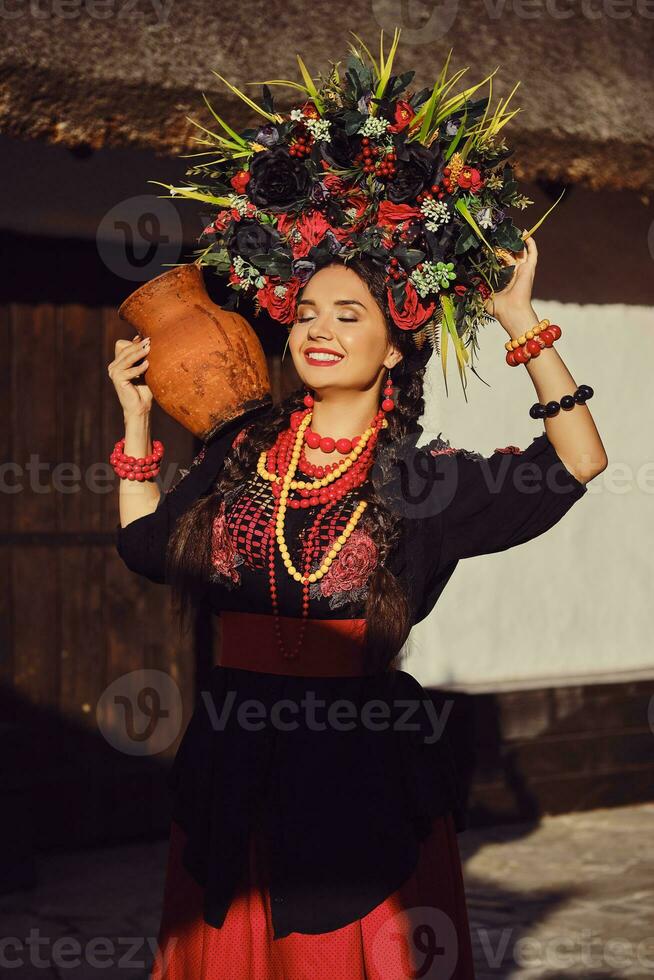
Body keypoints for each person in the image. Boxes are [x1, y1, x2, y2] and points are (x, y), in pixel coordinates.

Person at [108, 237, 607, 979]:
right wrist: (139, 422)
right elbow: (148, 547)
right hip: (235, 752)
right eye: (307, 314)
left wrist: (518, 318)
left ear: (394, 351)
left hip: (358, 760)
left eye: (347, 316)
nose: (319, 331)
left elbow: (574, 462)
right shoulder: (245, 448)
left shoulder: (420, 481)